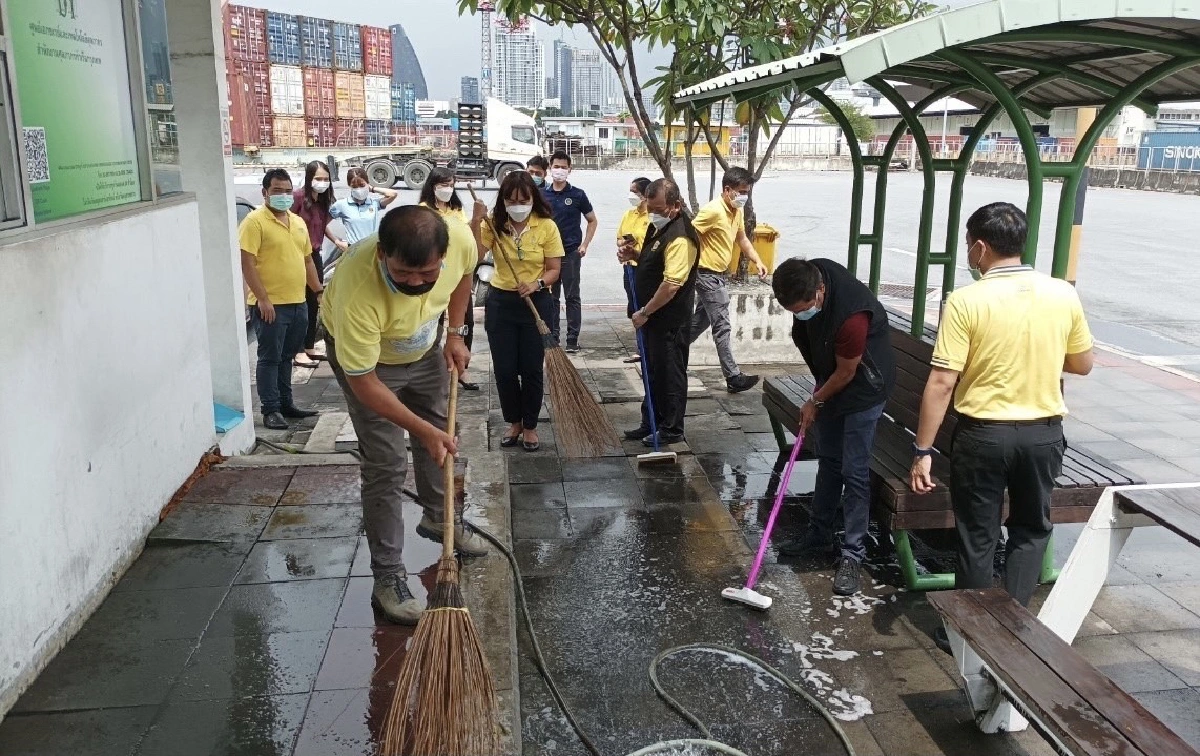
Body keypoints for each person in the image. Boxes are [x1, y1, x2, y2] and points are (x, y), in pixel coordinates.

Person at [910, 203, 1094, 630]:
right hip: (1042, 435)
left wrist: (922, 451)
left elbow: (942, 382)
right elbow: (1083, 364)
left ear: (980, 247)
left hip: (983, 436)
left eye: (968, 246)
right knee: (1030, 529)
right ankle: (1011, 626)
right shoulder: (1062, 293)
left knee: (977, 534)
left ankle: (972, 631)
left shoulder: (965, 300)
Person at [321, 204, 488, 625]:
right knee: (386, 463)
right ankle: (388, 576)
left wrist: (455, 333)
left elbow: (464, 276)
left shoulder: (459, 240)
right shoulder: (357, 290)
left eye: (427, 273)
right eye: (403, 274)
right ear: (382, 254)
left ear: (442, 256)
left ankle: (439, 518)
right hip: (373, 367)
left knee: (441, 434)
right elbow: (365, 384)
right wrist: (424, 431)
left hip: (424, 348)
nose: (415, 283)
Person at [771, 258, 896, 596]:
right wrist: (820, 391)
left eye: (804, 309)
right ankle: (820, 533)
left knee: (854, 471)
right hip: (834, 378)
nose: (801, 315)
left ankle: (853, 553)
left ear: (820, 291)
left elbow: (847, 372)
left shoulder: (852, 317)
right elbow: (819, 352)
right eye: (795, 312)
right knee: (829, 459)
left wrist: (815, 401)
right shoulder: (808, 276)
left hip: (865, 387)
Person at [474, 171, 564, 452]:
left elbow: (554, 269)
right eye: (511, 200)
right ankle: (513, 422)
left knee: (531, 368)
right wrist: (476, 221)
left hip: (536, 303)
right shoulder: (493, 224)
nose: (517, 206)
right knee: (505, 369)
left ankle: (531, 426)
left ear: (533, 199)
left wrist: (537, 284)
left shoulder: (546, 226)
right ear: (503, 200)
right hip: (501, 303)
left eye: (523, 200)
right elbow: (475, 255)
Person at [240, 168, 323, 430]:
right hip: (270, 305)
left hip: (298, 302)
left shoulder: (297, 222)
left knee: (287, 357)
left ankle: (287, 404)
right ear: (265, 193)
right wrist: (262, 299)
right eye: (277, 191)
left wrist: (318, 292)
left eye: (288, 191)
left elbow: (307, 260)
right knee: (270, 358)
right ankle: (271, 409)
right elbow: (247, 263)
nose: (283, 195)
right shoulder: (254, 222)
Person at [619, 178, 700, 446]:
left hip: (669, 320)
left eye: (658, 209)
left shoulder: (681, 237)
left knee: (669, 374)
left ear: (675, 206)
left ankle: (671, 429)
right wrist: (635, 254)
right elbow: (654, 259)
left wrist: (644, 312)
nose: (652, 214)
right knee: (651, 371)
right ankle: (651, 421)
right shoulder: (660, 226)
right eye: (650, 208)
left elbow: (671, 285)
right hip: (652, 318)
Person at [690, 167, 770, 393]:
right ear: (727, 190)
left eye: (747, 192)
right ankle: (733, 376)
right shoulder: (712, 211)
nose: (744, 197)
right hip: (706, 274)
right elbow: (689, 234)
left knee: (699, 323)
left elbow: (742, 239)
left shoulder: (736, 211)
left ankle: (669, 351)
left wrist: (757, 260)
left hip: (719, 275)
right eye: (741, 192)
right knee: (722, 325)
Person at [419, 167, 485, 392]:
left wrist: (477, 219)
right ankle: (432, 368)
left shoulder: (457, 210)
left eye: (450, 185)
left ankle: (461, 368)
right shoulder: (423, 211)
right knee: (432, 323)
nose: (447, 189)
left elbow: (470, 242)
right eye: (442, 185)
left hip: (458, 276)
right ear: (432, 186)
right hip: (434, 279)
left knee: (464, 322)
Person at [539, 151, 597, 353]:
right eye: (556, 166)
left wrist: (585, 244)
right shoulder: (542, 195)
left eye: (564, 167)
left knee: (572, 296)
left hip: (571, 252)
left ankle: (572, 339)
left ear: (570, 170)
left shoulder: (577, 195)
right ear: (550, 168)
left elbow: (592, 220)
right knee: (551, 297)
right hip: (549, 255)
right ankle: (553, 338)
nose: (560, 170)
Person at [292, 161, 347, 368]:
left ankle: (309, 347)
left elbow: (321, 226)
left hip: (314, 254)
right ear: (309, 179)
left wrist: (336, 241)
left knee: (314, 301)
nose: (322, 183)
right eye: (318, 178)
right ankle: (297, 351)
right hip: (297, 256)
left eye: (326, 179)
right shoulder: (298, 198)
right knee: (300, 304)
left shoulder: (324, 200)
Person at [618, 177, 653, 364]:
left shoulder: (652, 216)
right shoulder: (629, 215)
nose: (631, 195)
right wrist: (624, 243)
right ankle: (640, 347)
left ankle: (649, 346)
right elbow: (619, 239)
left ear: (645, 195)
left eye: (635, 192)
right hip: (629, 267)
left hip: (646, 267)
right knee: (634, 306)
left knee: (646, 306)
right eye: (630, 191)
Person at [330, 167, 399, 245]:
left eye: (362, 185)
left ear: (368, 184)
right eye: (354, 186)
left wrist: (373, 189)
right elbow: (322, 225)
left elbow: (393, 194)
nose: (358, 189)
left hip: (373, 247)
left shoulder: (374, 203)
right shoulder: (341, 205)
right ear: (349, 186)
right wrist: (337, 241)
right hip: (354, 248)